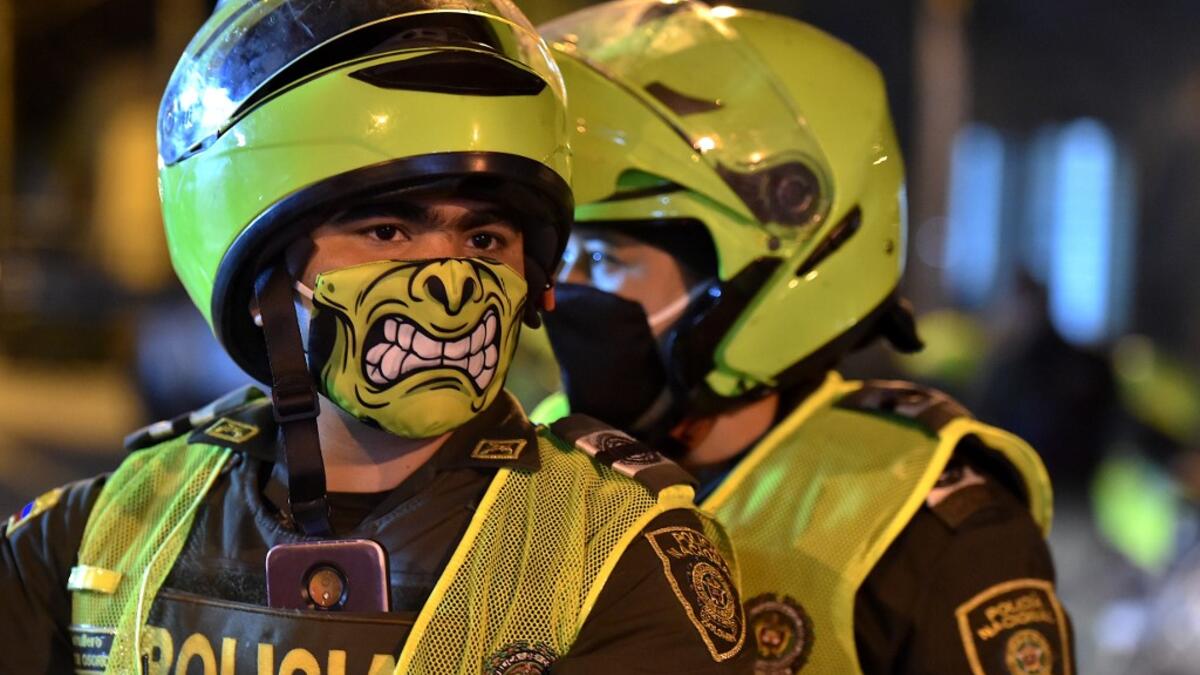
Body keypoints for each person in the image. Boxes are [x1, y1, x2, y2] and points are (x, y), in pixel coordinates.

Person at [0, 2, 752, 672]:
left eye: (486, 239)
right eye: (387, 230)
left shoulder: (617, 556)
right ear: (257, 270)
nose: (451, 280)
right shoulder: (97, 534)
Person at [534, 2, 1074, 673]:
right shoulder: (533, 460)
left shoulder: (924, 532)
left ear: (752, 280)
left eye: (608, 259)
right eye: (565, 257)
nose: (566, 291)